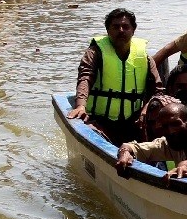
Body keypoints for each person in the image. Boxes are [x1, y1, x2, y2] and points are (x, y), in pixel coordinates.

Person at [68, 8, 162, 145]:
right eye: (116, 27)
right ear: (108, 30)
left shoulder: (144, 58)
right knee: (96, 134)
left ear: (133, 30)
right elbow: (85, 78)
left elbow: (157, 91)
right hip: (98, 120)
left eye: (125, 26)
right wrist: (80, 106)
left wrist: (146, 110)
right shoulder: (95, 52)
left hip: (133, 121)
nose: (121, 30)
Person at [115, 100, 187, 180]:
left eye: (176, 124)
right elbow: (132, 147)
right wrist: (124, 153)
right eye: (165, 126)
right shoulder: (169, 142)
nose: (170, 131)